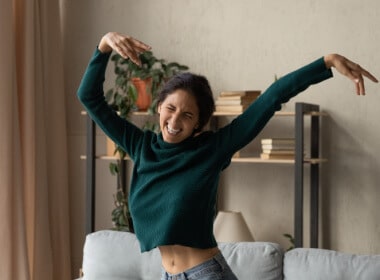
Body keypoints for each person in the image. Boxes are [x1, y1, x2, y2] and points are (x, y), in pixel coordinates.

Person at [77, 32, 378, 280]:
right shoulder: (141, 147)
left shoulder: (211, 150)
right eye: (170, 108)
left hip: (206, 274)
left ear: (198, 124)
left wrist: (325, 62)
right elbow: (89, 97)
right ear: (159, 107)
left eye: (187, 115)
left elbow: (271, 98)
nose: (175, 120)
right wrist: (104, 45)